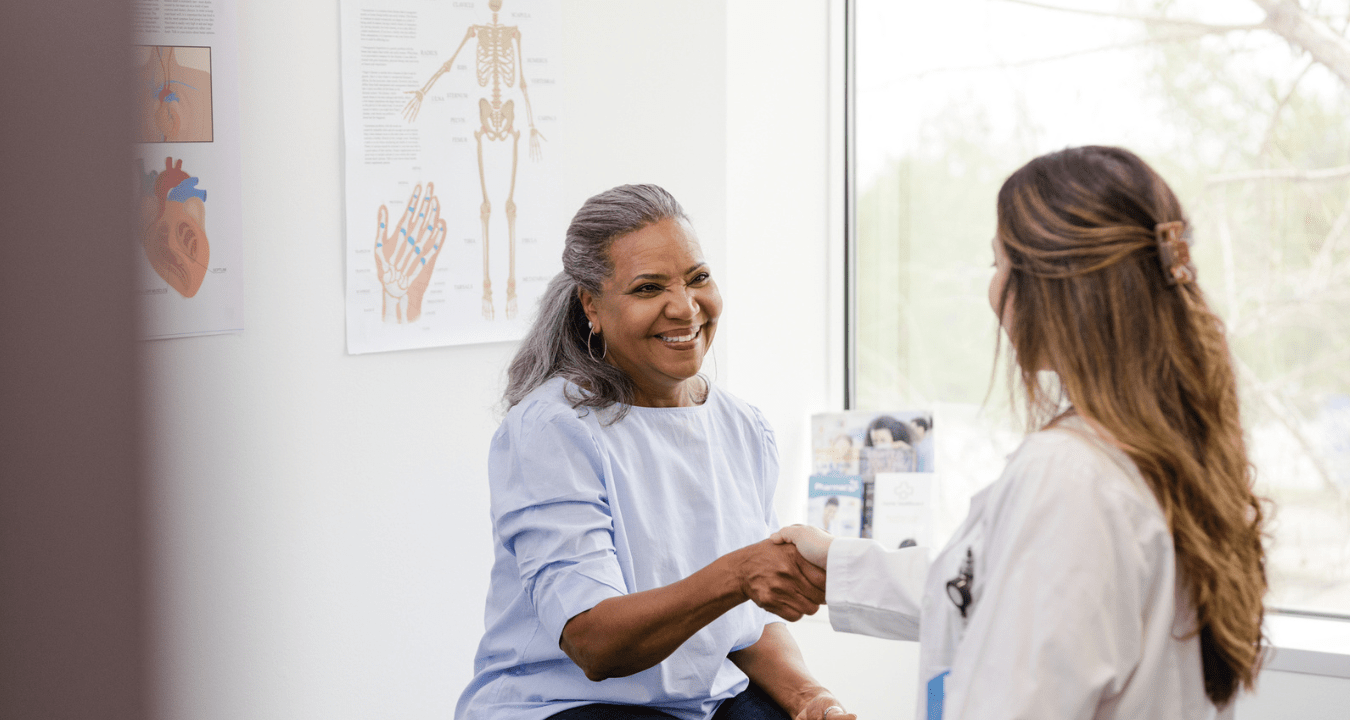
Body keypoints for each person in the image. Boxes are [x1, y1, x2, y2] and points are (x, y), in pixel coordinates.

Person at [775, 146, 1268, 719]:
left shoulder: (1068, 476)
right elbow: (986, 589)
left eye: (999, 265)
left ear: (1053, 286)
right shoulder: (1161, 443)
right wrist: (837, 563)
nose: (993, 292)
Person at [457, 184, 856, 720]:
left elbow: (748, 624)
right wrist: (738, 573)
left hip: (702, 702)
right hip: (567, 703)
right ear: (590, 305)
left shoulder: (743, 428)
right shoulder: (553, 431)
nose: (686, 308)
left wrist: (811, 698)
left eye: (698, 278)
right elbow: (594, 643)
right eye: (649, 288)